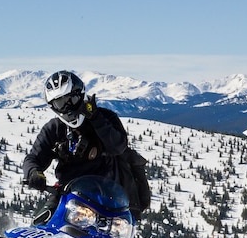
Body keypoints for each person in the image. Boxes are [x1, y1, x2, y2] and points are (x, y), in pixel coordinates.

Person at [23, 70, 151, 219]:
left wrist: (96, 119)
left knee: (121, 234)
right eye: (60, 103)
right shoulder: (55, 128)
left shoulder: (106, 117)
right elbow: (34, 157)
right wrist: (33, 172)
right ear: (53, 106)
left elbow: (118, 146)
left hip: (109, 197)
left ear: (81, 95)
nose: (67, 107)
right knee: (41, 225)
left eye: (72, 99)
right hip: (69, 196)